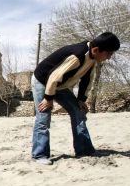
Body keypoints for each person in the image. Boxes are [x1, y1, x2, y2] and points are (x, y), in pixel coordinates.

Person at [31, 32, 121, 165]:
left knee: (78, 111)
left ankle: (84, 150)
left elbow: (87, 80)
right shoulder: (78, 55)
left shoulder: (92, 59)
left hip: (59, 85)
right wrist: (48, 98)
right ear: (96, 50)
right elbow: (53, 76)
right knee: (44, 116)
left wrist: (81, 100)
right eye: (108, 54)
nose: (109, 58)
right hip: (43, 81)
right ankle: (39, 155)